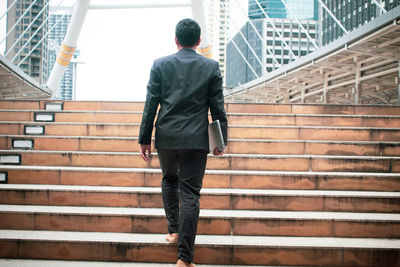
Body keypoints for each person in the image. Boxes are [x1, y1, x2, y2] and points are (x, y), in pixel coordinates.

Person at [138, 18, 228, 267]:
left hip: (166, 137)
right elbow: (217, 108)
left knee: (169, 180)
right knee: (190, 194)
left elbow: (151, 105)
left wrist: (144, 139)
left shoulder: (160, 65)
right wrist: (220, 140)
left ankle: (174, 231)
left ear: (176, 40)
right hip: (196, 139)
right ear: (199, 41)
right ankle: (184, 259)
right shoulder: (211, 67)